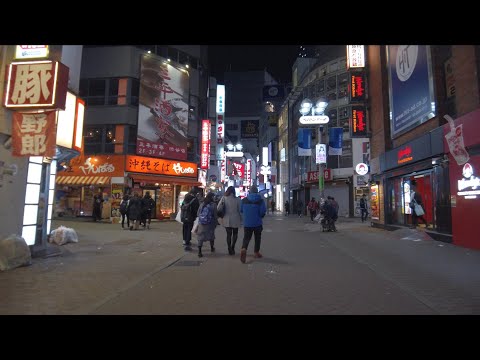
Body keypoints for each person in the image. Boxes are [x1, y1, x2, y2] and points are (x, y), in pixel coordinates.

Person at [240, 185, 267, 263]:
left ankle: (244, 249)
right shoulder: (260, 201)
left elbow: (241, 210)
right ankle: (256, 252)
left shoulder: (244, 200)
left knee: (246, 238)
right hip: (257, 223)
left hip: (247, 223)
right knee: (257, 238)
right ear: (257, 191)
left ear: (250, 191)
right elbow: (262, 212)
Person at [218, 186, 242, 255]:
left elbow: (218, 207)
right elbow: (240, 210)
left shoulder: (224, 198)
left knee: (228, 234)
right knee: (235, 234)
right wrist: (242, 219)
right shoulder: (237, 199)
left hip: (226, 218)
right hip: (235, 218)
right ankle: (233, 247)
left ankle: (229, 248)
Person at [196, 192, 217, 258]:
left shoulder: (202, 204)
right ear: (212, 197)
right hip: (210, 223)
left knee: (200, 237)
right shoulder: (213, 205)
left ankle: (199, 252)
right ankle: (212, 248)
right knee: (211, 235)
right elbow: (215, 215)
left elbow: (198, 214)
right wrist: (216, 222)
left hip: (201, 223)